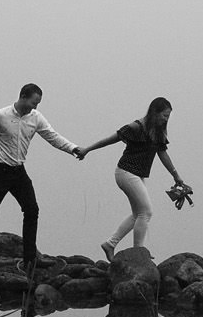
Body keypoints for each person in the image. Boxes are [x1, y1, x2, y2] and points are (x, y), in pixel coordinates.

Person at [0, 82, 84, 274]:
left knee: (32, 210)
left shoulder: (36, 118)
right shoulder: (1, 116)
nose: (36, 107)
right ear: (23, 96)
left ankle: (30, 261)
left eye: (38, 103)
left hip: (18, 173)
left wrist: (73, 148)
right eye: (34, 102)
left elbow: (53, 137)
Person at [80, 95, 192, 259]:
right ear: (155, 112)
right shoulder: (137, 127)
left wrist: (177, 177)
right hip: (125, 172)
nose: (166, 119)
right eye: (164, 115)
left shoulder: (158, 131)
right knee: (145, 212)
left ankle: (110, 244)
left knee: (138, 214)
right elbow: (112, 139)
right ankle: (138, 253)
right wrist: (87, 149)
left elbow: (162, 154)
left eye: (168, 116)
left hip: (137, 175)